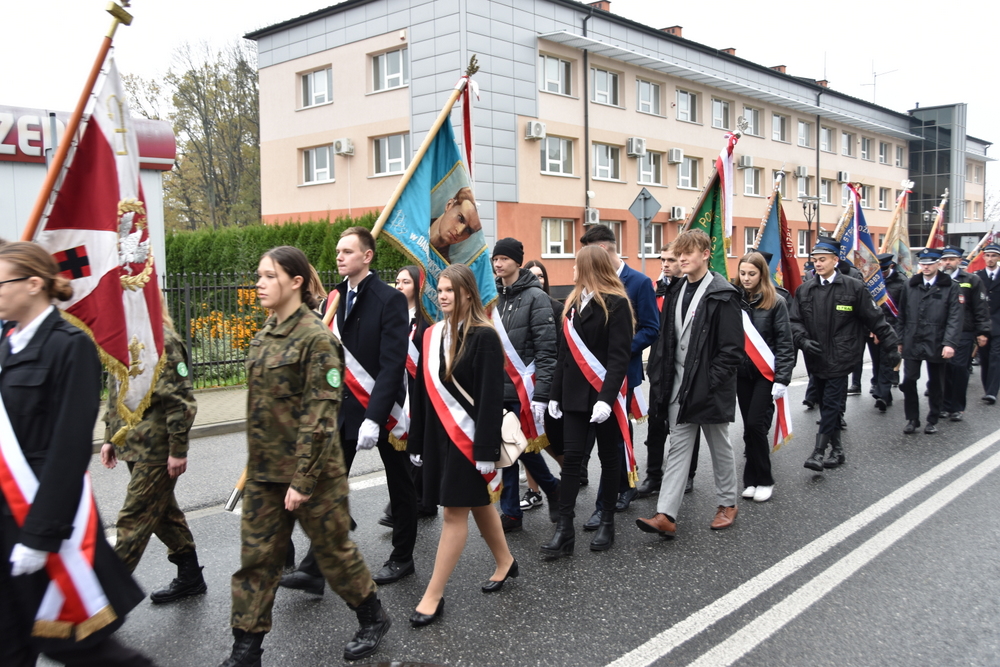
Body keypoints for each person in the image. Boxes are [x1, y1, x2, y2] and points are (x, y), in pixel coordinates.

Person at [222, 246, 390, 666]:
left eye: (269, 276)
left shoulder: (317, 339)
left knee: (334, 554)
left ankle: (372, 616)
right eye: (258, 275)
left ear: (296, 282)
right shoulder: (265, 334)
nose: (259, 284)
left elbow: (320, 417)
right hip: (264, 473)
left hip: (312, 476)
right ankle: (245, 650)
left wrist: (301, 480)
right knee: (257, 562)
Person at [0, 241, 152, 667]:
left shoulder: (69, 346)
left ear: (33, 284)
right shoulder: (7, 345)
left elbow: (67, 451)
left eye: (1, 282)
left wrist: (39, 536)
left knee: (80, 648)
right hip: (5, 520)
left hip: (41, 520)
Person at [281, 227, 416, 595]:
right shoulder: (335, 297)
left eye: (348, 251)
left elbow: (392, 363)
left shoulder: (389, 299)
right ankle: (314, 569)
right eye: (338, 251)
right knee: (328, 486)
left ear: (367, 256)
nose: (339, 256)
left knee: (400, 484)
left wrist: (375, 417)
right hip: (343, 407)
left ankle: (403, 556)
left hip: (383, 410)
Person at [406, 263, 514, 627]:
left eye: (450, 290)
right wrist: (416, 440)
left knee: (454, 512)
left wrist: (485, 451)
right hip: (440, 437)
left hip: (470, 441)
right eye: (440, 290)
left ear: (468, 293)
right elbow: (421, 392)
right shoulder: (432, 334)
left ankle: (433, 595)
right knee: (477, 502)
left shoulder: (484, 336)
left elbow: (490, 398)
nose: (442, 296)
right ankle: (505, 561)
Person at [635, 229, 744, 539]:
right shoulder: (676, 290)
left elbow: (732, 350)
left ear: (706, 254)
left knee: (719, 445)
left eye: (688, 253)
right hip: (678, 388)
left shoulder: (723, 294)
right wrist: (661, 379)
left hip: (709, 388)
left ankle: (727, 503)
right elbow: (667, 341)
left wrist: (709, 383)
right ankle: (665, 514)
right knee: (679, 448)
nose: (681, 259)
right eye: (678, 254)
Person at [100, 302, 205, 603]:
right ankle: (190, 576)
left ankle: (103, 601)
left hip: (157, 448)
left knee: (133, 519)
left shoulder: (163, 341)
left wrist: (178, 449)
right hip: (132, 443)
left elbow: (181, 402)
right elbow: (116, 392)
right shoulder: (122, 340)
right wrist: (110, 437)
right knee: (162, 514)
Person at [542, 246, 634, 557]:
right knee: (571, 460)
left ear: (590, 268)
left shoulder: (617, 303)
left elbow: (619, 358)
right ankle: (564, 529)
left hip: (602, 396)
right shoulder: (571, 304)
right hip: (573, 396)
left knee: (608, 458)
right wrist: (555, 395)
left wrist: (606, 399)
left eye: (576, 265)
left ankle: (607, 520)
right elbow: (564, 355)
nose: (572, 270)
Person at [790, 236, 899, 471]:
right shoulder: (805, 290)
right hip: (815, 357)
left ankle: (818, 452)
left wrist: (892, 347)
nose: (818, 264)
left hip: (842, 356)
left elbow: (876, 319)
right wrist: (803, 340)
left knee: (831, 405)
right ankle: (837, 450)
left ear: (835, 260)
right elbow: (795, 321)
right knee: (826, 405)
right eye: (815, 260)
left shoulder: (854, 287)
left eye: (823, 259)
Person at [577, 224, 658, 524]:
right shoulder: (587, 283)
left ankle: (622, 488)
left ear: (602, 250)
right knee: (592, 432)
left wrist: (619, 349)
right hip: (590, 375)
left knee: (619, 434)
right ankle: (593, 480)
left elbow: (651, 328)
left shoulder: (638, 282)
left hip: (622, 373)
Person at [491, 239, 560, 532]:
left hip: (524, 389)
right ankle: (513, 511)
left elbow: (546, 350)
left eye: (504, 258)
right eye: (495, 258)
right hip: (497, 387)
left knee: (521, 448)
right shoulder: (492, 297)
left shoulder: (536, 297)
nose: (498, 264)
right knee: (508, 450)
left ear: (518, 262)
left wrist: (542, 393)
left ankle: (550, 489)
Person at [638, 243, 702, 498]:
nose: (665, 264)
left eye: (671, 260)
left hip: (684, 368)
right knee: (656, 423)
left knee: (685, 423)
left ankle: (687, 474)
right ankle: (654, 475)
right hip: (659, 367)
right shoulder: (656, 290)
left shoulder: (691, 291)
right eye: (662, 259)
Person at [378, 265, 436, 526]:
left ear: (418, 287)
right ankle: (421, 502)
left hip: (419, 387)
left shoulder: (426, 322)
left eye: (406, 282)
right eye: (397, 281)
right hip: (398, 387)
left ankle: (407, 505)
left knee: (416, 442)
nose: (399, 286)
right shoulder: (393, 316)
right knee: (403, 443)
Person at [734, 252, 794, 503]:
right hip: (741, 374)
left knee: (756, 426)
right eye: (742, 273)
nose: (746, 278)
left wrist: (782, 378)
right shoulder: (733, 300)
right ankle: (750, 480)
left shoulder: (776, 302)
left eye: (752, 274)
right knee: (748, 429)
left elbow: (785, 343)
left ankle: (766, 479)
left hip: (765, 374)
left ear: (762, 274)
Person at [898, 248, 962, 434]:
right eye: (923, 263)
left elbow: (955, 317)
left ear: (938, 264)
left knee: (936, 382)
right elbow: (901, 315)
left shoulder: (950, 286)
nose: (926, 267)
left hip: (937, 339)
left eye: (930, 263)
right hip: (913, 338)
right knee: (909, 380)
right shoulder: (910, 285)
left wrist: (949, 343)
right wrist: (900, 339)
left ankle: (933, 418)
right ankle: (912, 419)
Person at [521, 259, 566, 511]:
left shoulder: (557, 308)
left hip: (547, 384)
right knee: (528, 439)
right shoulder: (519, 306)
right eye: (531, 275)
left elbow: (558, 350)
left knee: (552, 440)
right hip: (522, 383)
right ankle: (534, 491)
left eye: (540, 276)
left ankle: (569, 476)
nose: (536, 280)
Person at [939, 246, 991, 420]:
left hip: (964, 331)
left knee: (959, 368)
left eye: (951, 259)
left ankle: (957, 407)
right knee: (944, 368)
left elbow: (980, 307)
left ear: (959, 261)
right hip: (941, 331)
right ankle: (944, 405)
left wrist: (982, 331)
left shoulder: (971, 280)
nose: (948, 263)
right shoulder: (938, 279)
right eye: (945, 259)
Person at [872, 253, 905, 412]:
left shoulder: (902, 282)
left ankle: (882, 396)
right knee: (877, 362)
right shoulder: (872, 282)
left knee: (886, 362)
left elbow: (904, 311)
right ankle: (885, 395)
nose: (882, 273)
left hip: (893, 328)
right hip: (875, 328)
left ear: (891, 266)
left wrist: (900, 336)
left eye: (884, 270)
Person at [975, 243, 1000, 404]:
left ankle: (992, 392)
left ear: (998, 258)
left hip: (999, 325)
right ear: (984, 257)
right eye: (988, 255)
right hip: (982, 325)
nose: (990, 259)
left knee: (996, 358)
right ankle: (987, 389)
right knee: (984, 359)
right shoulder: (977, 277)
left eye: (994, 256)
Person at [430, 187, 482, 261]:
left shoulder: (446, 264)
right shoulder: (414, 223)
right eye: (460, 218)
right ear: (449, 205)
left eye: (468, 230)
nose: (459, 231)